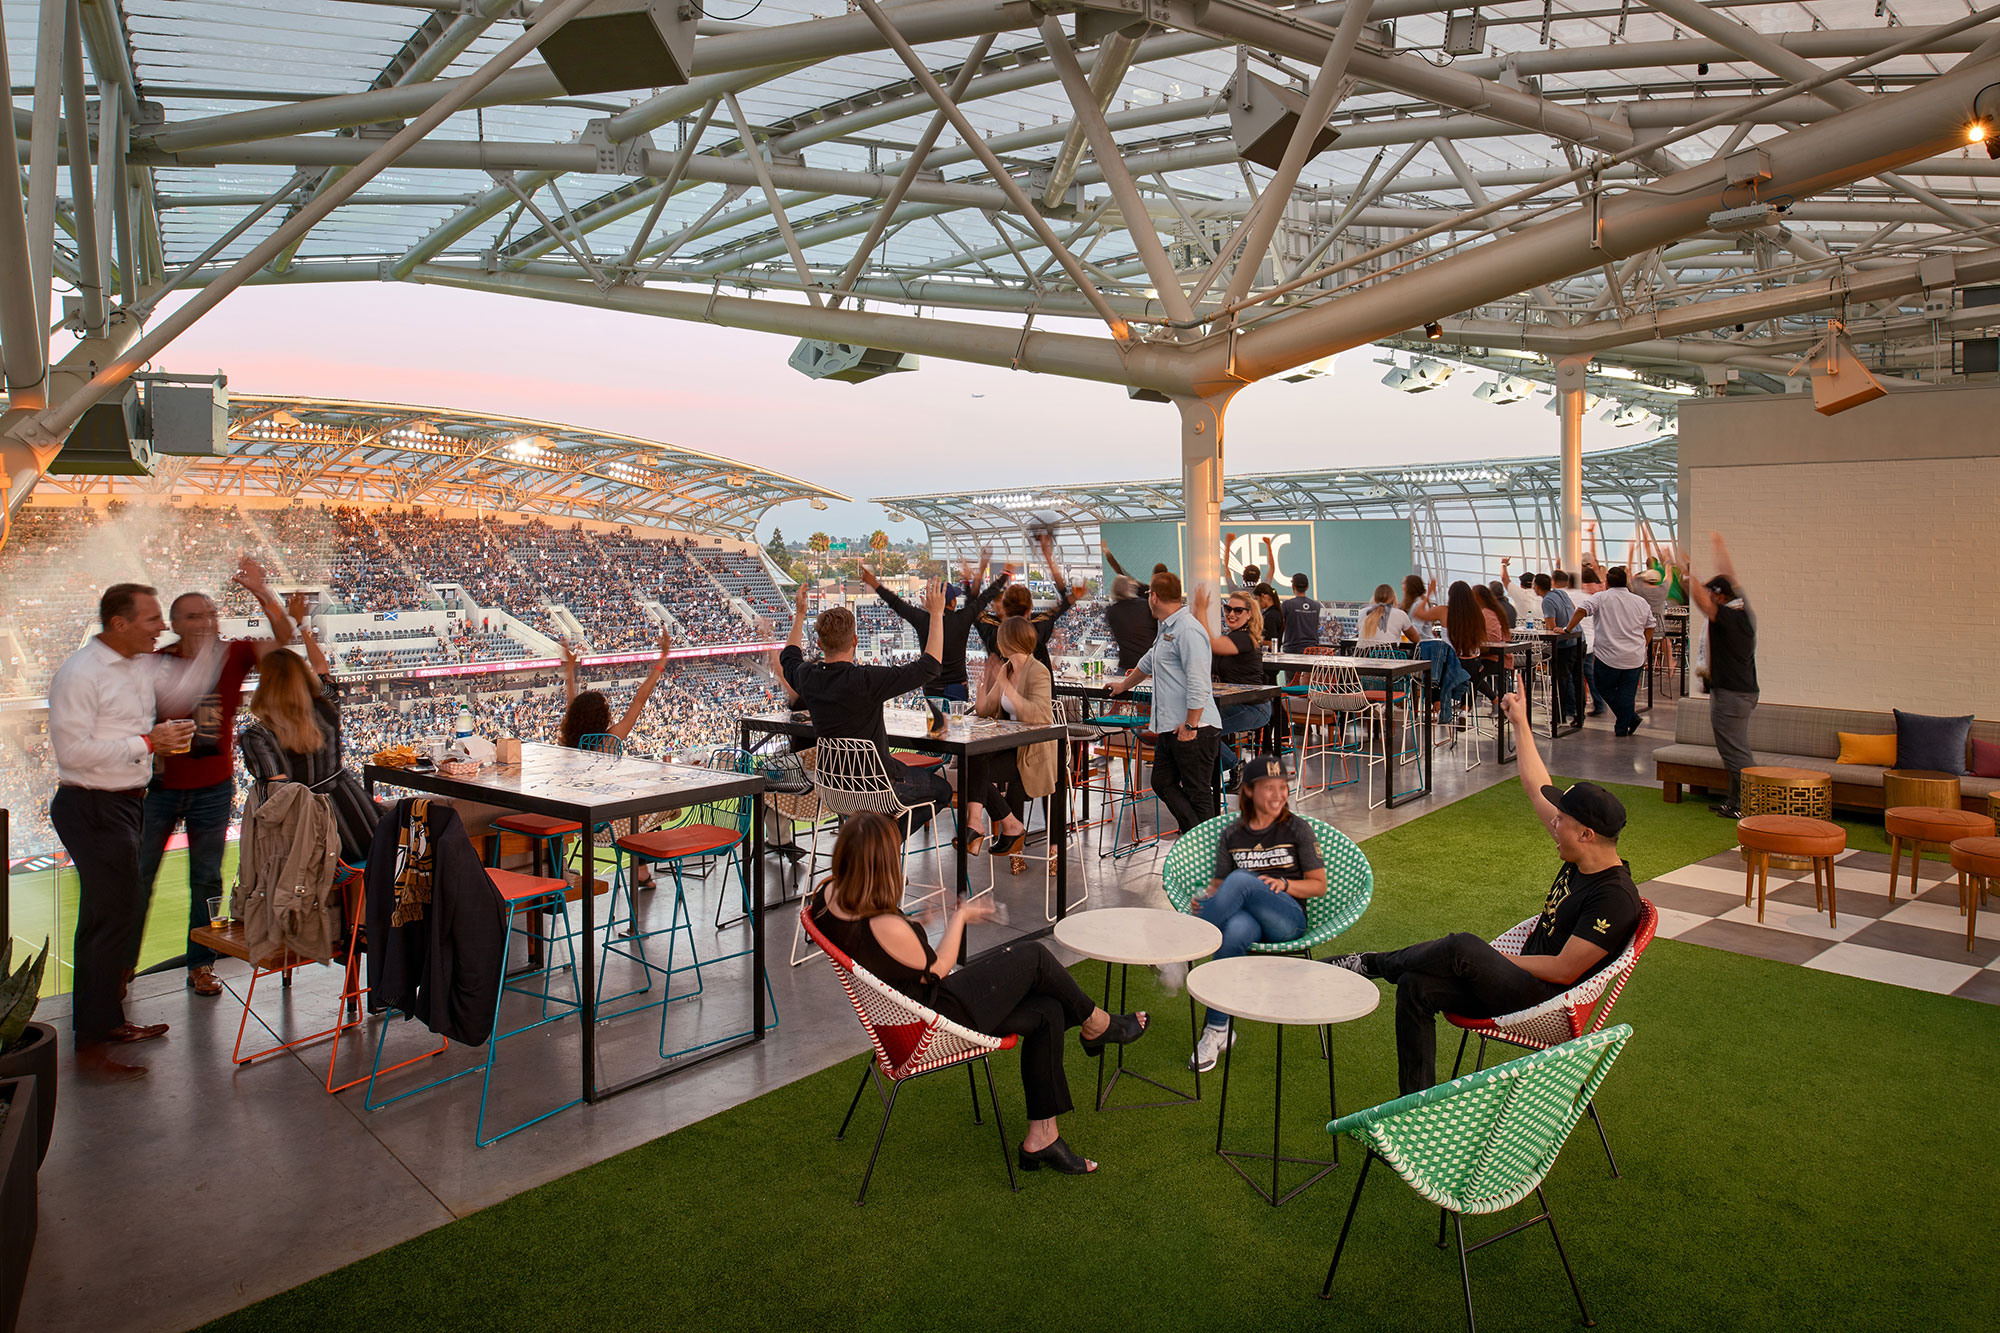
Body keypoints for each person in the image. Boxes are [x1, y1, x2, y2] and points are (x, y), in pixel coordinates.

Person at [1329, 680, 1641, 1094]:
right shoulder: (1583, 851)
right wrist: (1521, 722)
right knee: (1415, 986)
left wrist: (1492, 960)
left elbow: (1566, 970)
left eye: (1561, 820)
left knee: (1462, 947)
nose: (1553, 823)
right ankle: (1416, 1103)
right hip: (1514, 981)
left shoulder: (1614, 897)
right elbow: (1536, 788)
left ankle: (1370, 964)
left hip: (1545, 1000)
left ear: (1586, 834)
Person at [809, 812, 1146, 1174]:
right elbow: (936, 969)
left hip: (901, 1017)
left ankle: (1042, 1138)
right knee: (1033, 957)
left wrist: (919, 923)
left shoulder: (827, 896)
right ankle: (1097, 1023)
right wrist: (960, 917)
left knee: (1048, 1010)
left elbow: (883, 952)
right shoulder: (884, 924)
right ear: (881, 865)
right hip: (934, 1022)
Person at [47, 583, 193, 1080]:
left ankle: (105, 1023)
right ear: (119, 624)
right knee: (110, 922)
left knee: (111, 918)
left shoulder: (136, 665)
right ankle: (92, 1041)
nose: (161, 627)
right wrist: (149, 741)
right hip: (92, 806)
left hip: (126, 805)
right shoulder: (81, 673)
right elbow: (74, 754)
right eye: (152, 619)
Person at [142, 556, 293, 998]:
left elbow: (283, 640)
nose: (206, 621)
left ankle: (201, 966)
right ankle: (118, 975)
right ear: (174, 623)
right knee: (139, 877)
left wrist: (262, 591)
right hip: (159, 788)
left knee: (206, 879)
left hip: (212, 787)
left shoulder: (232, 653)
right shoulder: (154, 662)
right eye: (194, 615)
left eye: (210, 613)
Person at [782, 578, 952, 832]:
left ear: (819, 644)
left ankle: (872, 842)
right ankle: (886, 842)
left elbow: (789, 657)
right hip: (879, 788)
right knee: (943, 791)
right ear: (855, 641)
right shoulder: (868, 679)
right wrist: (936, 615)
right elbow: (930, 667)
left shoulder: (808, 676)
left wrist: (800, 615)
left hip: (833, 791)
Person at [1187, 755, 1322, 1071]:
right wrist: (1205, 900)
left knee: (1243, 880)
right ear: (1248, 791)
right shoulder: (1233, 834)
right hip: (1250, 920)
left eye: (1283, 787)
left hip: (1287, 921)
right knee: (1232, 932)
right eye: (1269, 788)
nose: (1278, 795)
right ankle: (1217, 1030)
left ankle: (1184, 951)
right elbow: (1220, 885)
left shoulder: (1297, 829)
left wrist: (1283, 884)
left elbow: (1318, 886)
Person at [236, 619, 384, 864]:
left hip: (313, 832)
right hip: (357, 812)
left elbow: (280, 796)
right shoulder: (326, 706)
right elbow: (323, 669)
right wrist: (303, 628)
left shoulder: (257, 735)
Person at [1108, 571, 1219, 836]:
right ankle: (1197, 839)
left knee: (1198, 792)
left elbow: (1199, 682)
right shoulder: (1167, 626)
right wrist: (1124, 685)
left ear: (1154, 597)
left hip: (1195, 728)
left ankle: (1208, 854)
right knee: (1161, 780)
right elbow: (1148, 661)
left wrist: (1191, 725)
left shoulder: (1188, 630)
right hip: (1171, 726)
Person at [965, 616, 1057, 875]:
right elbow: (987, 711)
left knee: (975, 766)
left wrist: (1007, 687)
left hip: (1035, 752)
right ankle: (998, 823)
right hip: (1011, 747)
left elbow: (1040, 715)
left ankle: (992, 825)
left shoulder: (1038, 671)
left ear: (1008, 641)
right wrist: (982, 687)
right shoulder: (1006, 668)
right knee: (972, 760)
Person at [860, 551, 1005, 702]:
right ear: (952, 602)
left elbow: (896, 603)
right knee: (956, 722)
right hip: (957, 687)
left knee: (935, 724)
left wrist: (874, 583)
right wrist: (1004, 575)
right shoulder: (962, 618)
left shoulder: (922, 619)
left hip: (931, 686)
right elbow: (985, 597)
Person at [1689, 533, 1757, 818]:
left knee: (1735, 752)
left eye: (1712, 593)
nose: (1709, 598)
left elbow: (1702, 602)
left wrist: (1685, 572)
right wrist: (1720, 547)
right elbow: (1731, 578)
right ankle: (1735, 800)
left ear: (1720, 596)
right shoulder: (1741, 607)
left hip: (1731, 694)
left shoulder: (1729, 617)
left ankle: (1746, 804)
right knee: (1732, 749)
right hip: (1738, 691)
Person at [1189, 586, 1269, 789]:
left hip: (1253, 707)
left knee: (1201, 729)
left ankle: (1235, 766)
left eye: (1238, 610)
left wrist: (1200, 610)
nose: (1231, 614)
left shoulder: (1244, 637)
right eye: (1228, 608)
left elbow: (1211, 644)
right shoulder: (1233, 636)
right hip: (1233, 703)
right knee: (1196, 725)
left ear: (1249, 614)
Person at [1571, 566, 1657, 738]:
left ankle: (1627, 721)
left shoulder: (1600, 598)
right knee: (1627, 693)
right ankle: (1624, 725)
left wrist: (1567, 629)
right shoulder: (1640, 601)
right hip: (1634, 656)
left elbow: (1581, 610)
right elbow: (1650, 626)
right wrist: (1644, 645)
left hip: (1608, 656)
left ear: (1607, 583)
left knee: (1603, 687)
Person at [976, 531, 1071, 674]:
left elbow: (973, 604)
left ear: (1004, 608)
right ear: (1029, 608)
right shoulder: (1038, 625)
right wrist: (1048, 558)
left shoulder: (992, 628)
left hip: (1004, 692)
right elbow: (1066, 601)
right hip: (1041, 692)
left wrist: (985, 566)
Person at [1538, 571, 1585, 727]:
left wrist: (1559, 628)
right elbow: (1573, 609)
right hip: (1579, 639)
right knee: (1578, 679)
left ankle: (1559, 716)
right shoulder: (1561, 593)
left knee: (1561, 682)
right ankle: (1579, 715)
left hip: (1566, 645)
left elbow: (1551, 626)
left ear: (1536, 587)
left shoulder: (1547, 601)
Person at [1356, 584, 1421, 650]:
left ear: (1374, 597)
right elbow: (1415, 638)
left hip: (1362, 656)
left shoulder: (1363, 612)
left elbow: (1359, 629)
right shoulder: (1400, 614)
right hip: (1388, 656)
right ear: (1394, 598)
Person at [1279, 572, 1321, 653]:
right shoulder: (1316, 606)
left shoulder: (1287, 604)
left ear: (1293, 587)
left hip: (1292, 650)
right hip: (1312, 650)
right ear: (1307, 587)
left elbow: (1281, 625)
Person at [1500, 558, 1542, 628]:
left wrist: (1503, 564)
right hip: (1540, 629)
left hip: (1522, 632)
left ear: (1521, 585)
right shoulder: (1541, 595)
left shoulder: (1519, 593)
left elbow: (1504, 579)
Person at [1255, 583, 1283, 648]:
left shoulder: (1270, 616)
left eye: (1257, 599)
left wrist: (1257, 641)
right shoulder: (1277, 612)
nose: (1257, 602)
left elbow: (1272, 642)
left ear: (1263, 596)